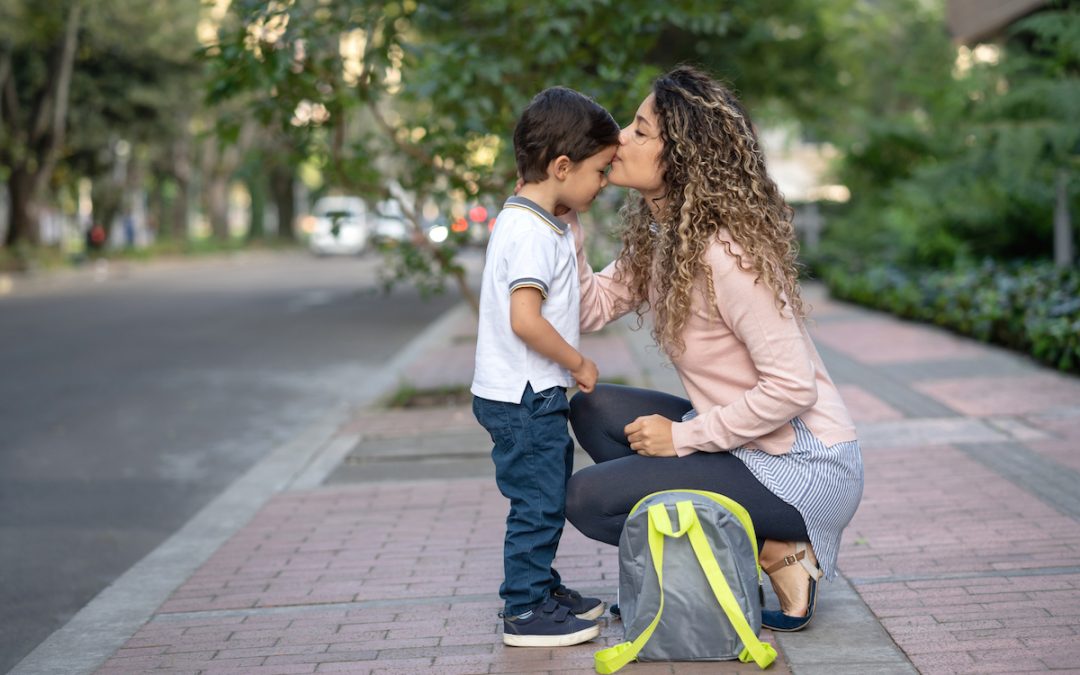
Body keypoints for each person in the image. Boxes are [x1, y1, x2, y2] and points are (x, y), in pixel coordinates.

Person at [564, 66, 864, 632]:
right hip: (745, 444)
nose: (620, 137)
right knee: (592, 408)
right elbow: (589, 308)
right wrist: (565, 219)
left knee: (588, 499)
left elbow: (792, 387)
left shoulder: (727, 255)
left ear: (679, 157)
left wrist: (682, 438)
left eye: (640, 130)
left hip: (803, 469)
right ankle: (765, 550)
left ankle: (761, 549)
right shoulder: (665, 239)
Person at [471, 86, 620, 647]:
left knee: (544, 494)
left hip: (525, 392)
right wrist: (578, 360)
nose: (604, 183)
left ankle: (541, 585)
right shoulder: (531, 232)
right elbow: (526, 321)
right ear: (562, 166)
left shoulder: (540, 218)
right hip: (525, 395)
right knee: (537, 502)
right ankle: (525, 610)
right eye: (600, 171)